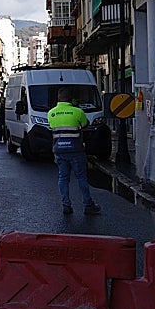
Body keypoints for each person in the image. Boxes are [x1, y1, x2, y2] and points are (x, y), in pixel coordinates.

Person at [48, 86, 99, 215]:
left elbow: (51, 127)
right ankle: (88, 205)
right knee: (81, 177)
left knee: (63, 178)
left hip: (59, 150)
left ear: (58, 98)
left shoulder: (51, 113)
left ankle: (66, 205)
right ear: (70, 99)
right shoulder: (77, 112)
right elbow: (85, 124)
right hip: (76, 150)